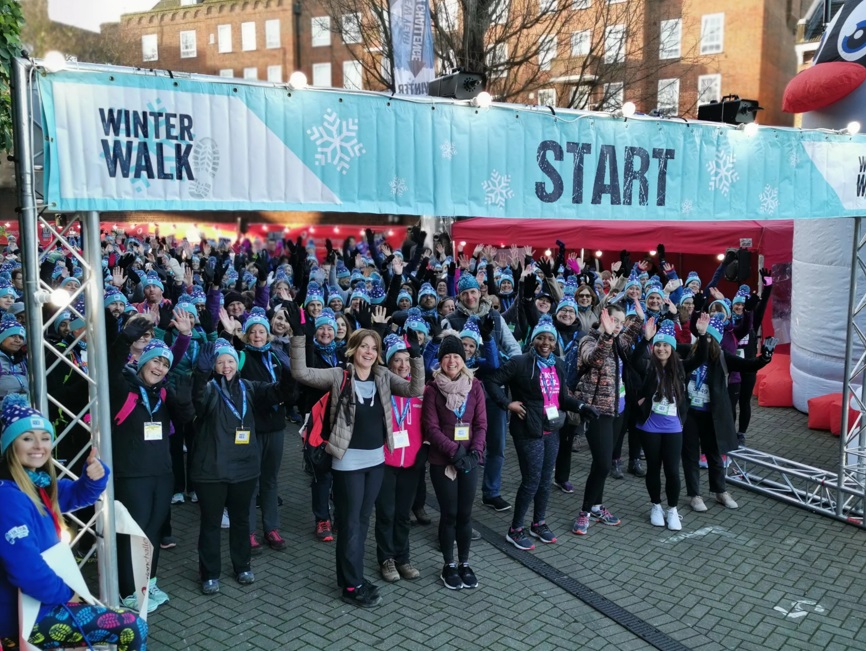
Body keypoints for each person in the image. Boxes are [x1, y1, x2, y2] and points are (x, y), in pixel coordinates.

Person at [289, 304, 424, 608]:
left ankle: (351, 577)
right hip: (348, 463)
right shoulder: (339, 377)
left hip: (376, 461)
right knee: (350, 524)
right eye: (363, 345)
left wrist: (416, 355)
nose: (368, 351)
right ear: (352, 349)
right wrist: (299, 336)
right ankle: (352, 587)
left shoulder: (385, 378)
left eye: (373, 347)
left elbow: (416, 389)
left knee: (361, 522)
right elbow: (299, 372)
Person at [0, 395, 148, 651]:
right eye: (27, 438)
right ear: (9, 445)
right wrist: (68, 595)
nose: (39, 446)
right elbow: (25, 570)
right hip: (22, 615)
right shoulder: (8, 496)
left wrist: (93, 477)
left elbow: (78, 495)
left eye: (45, 438)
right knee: (132, 626)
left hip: (38, 603)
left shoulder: (37, 483)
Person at [486, 315, 598, 549]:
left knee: (545, 480)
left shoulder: (557, 363)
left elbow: (562, 397)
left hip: (552, 429)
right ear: (533, 340)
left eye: (550, 338)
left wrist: (581, 407)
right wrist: (508, 404)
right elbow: (492, 381)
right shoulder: (520, 362)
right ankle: (515, 529)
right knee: (531, 480)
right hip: (528, 429)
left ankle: (539, 523)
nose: (545, 343)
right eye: (541, 338)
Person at [190, 338, 290, 595]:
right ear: (213, 366)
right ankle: (209, 573)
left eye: (230, 360)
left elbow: (279, 393)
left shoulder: (249, 387)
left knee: (241, 520)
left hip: (245, 469)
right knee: (211, 523)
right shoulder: (210, 388)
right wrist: (200, 374)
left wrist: (290, 372)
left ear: (238, 363)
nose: (226, 365)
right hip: (212, 470)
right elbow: (198, 402)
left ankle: (242, 565)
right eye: (220, 361)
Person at [109, 317, 194, 611]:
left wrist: (184, 400)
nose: (159, 368)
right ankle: (128, 591)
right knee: (132, 533)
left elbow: (185, 420)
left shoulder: (163, 394)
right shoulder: (123, 387)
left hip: (162, 473)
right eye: (155, 361)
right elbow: (106, 371)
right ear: (143, 361)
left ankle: (149, 583)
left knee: (154, 531)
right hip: (131, 475)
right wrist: (122, 341)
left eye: (165, 364)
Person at [683, 314, 775, 512]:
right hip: (690, 413)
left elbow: (750, 365)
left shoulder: (723, 358)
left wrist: (765, 356)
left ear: (716, 341)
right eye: (703, 337)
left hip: (711, 414)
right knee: (690, 455)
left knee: (715, 454)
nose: (706, 342)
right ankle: (695, 495)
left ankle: (720, 491)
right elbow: (666, 351)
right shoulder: (691, 353)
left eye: (710, 338)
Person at [571, 301, 645, 536]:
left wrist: (639, 320)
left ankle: (596, 506)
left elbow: (628, 338)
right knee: (603, 464)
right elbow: (594, 359)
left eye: (622, 322)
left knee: (601, 464)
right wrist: (605, 334)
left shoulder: (617, 342)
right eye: (615, 321)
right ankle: (584, 512)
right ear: (604, 318)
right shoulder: (589, 340)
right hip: (597, 411)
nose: (619, 326)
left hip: (618, 411)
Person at [422, 335, 486, 590]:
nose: (452, 360)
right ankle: (448, 564)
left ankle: (464, 562)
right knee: (449, 514)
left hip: (469, 460)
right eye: (447, 356)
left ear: (463, 359)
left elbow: (481, 424)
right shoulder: (432, 389)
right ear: (440, 360)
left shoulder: (475, 386)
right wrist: (455, 452)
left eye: (456, 356)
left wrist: (475, 453)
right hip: (443, 461)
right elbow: (430, 427)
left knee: (465, 514)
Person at [634, 316, 709, 530]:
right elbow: (634, 359)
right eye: (657, 344)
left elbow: (702, 356)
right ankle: (656, 505)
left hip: (673, 427)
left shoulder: (682, 367)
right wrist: (644, 340)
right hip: (649, 426)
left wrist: (702, 335)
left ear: (672, 348)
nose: (661, 348)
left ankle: (672, 509)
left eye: (666, 345)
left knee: (672, 471)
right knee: (653, 468)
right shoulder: (648, 367)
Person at [237, 307, 294, 554]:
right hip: (252, 428)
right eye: (253, 332)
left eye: (262, 331)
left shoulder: (275, 357)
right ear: (247, 335)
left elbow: (288, 389)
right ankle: (248, 531)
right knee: (251, 481)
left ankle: (271, 527)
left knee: (270, 479)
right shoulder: (241, 357)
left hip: (276, 426)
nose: (258, 336)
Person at [374, 335, 425, 583]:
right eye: (398, 360)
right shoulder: (382, 388)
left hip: (411, 464)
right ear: (389, 362)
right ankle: (386, 559)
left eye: (407, 360)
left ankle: (403, 558)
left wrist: (422, 454)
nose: (403, 365)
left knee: (403, 514)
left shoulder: (420, 392)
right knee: (386, 513)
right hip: (385, 462)